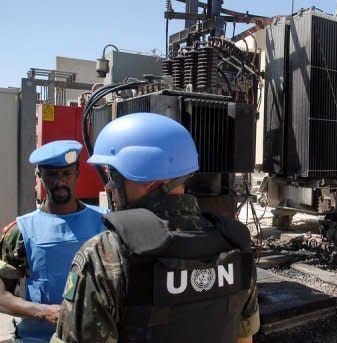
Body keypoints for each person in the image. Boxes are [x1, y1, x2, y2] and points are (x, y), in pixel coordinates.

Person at [51, 113, 260, 343]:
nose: (109, 186)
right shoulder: (234, 243)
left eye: (113, 175)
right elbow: (244, 338)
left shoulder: (106, 254)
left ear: (144, 178)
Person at [0, 140, 106, 342]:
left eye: (66, 173)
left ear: (77, 173)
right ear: (39, 176)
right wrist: (43, 311)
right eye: (52, 175)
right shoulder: (20, 232)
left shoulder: (105, 222)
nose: (60, 182)